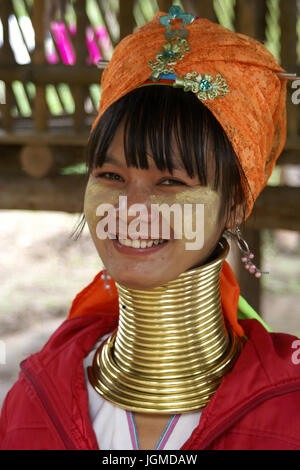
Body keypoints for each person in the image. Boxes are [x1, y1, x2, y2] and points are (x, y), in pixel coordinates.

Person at [1, 6, 300, 450]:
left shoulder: (288, 408)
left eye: (170, 182)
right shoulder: (36, 398)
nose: (131, 208)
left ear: (234, 205)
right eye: (111, 176)